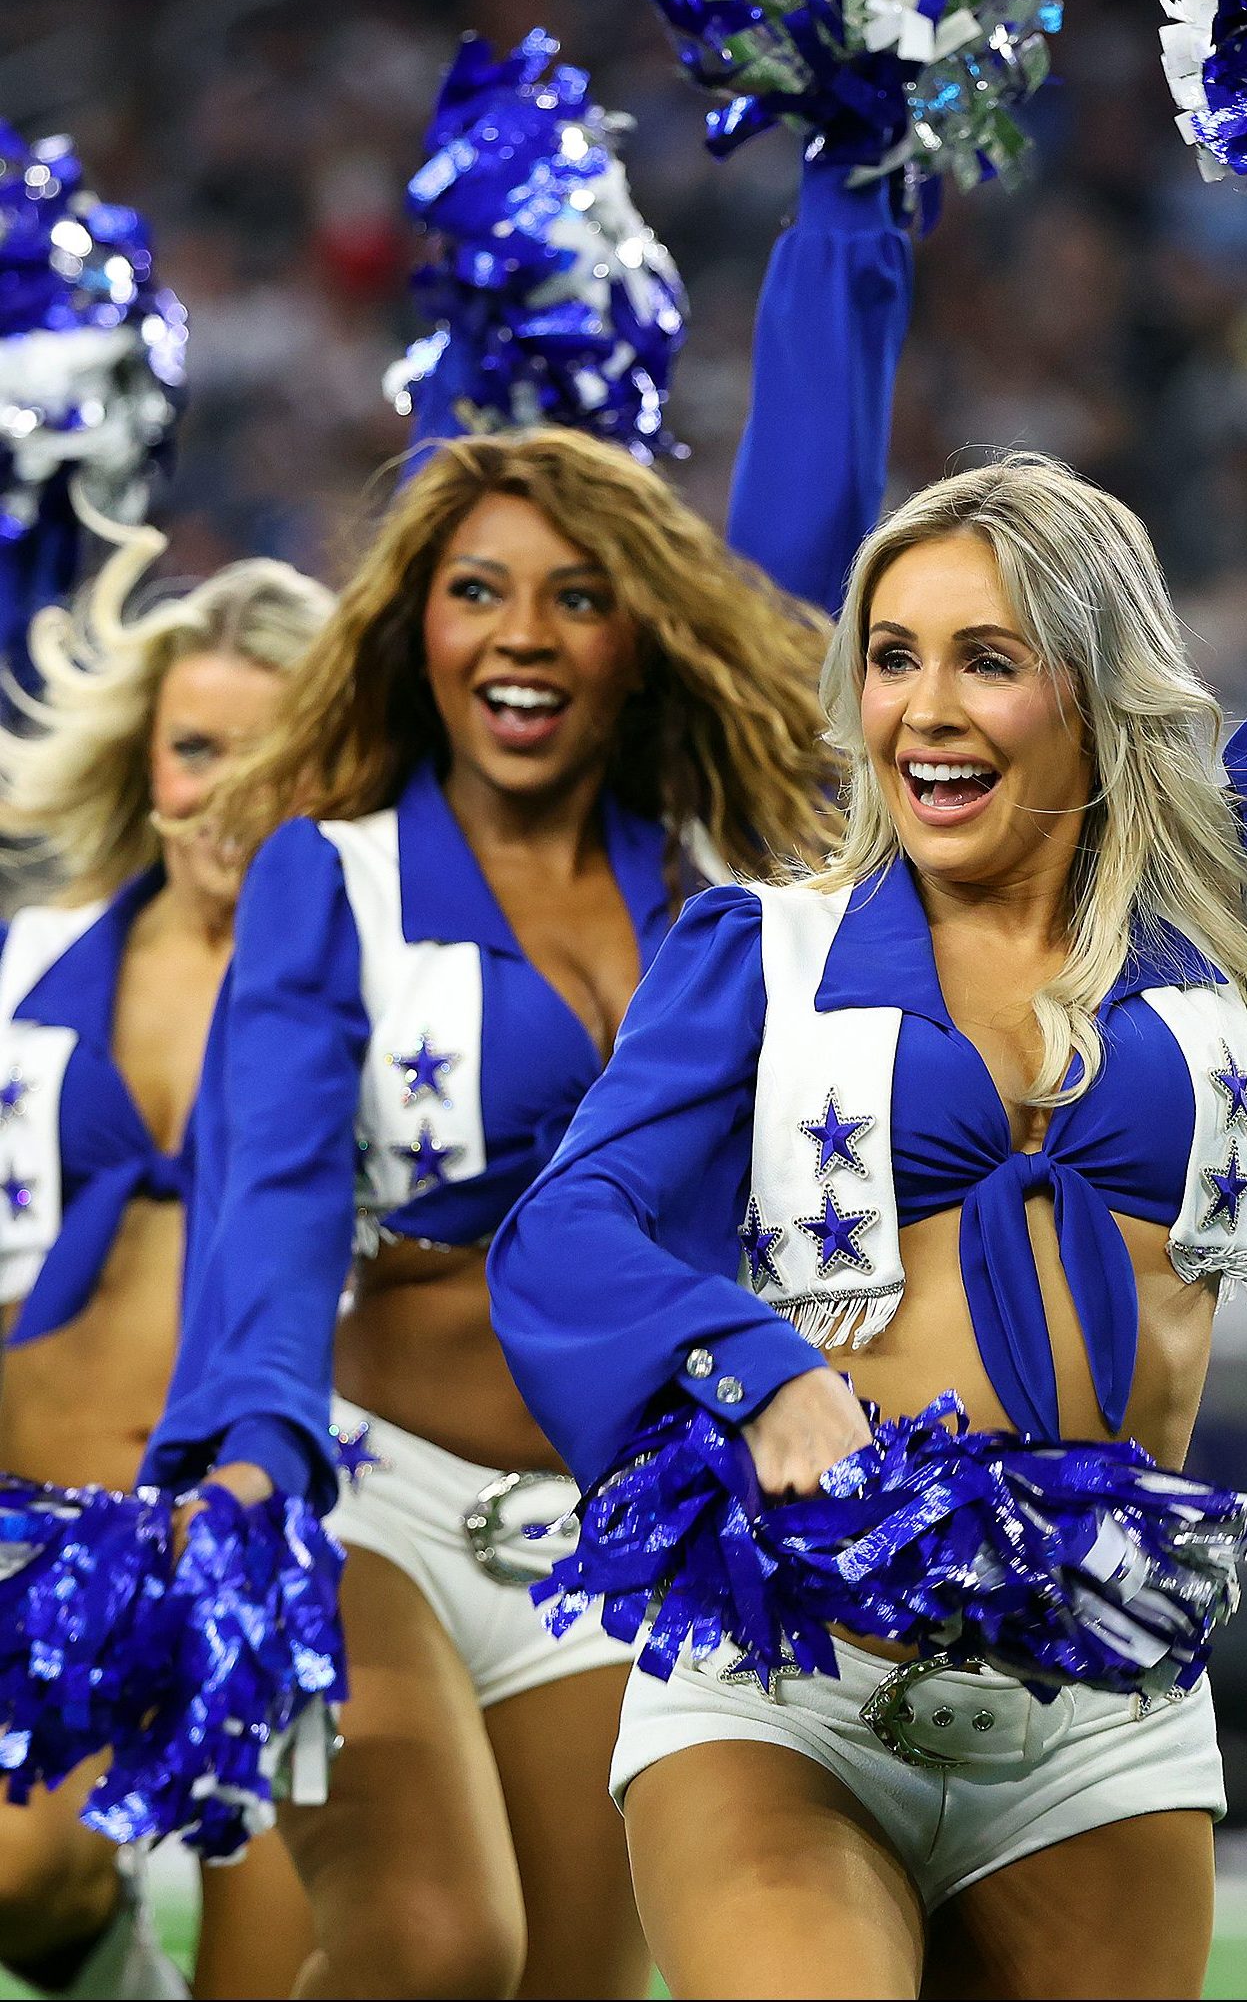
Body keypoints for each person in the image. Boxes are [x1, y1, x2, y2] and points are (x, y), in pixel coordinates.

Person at [489, 259, 1247, 2000]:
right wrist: (753, 1362)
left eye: (986, 662)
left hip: (1103, 1713)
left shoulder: (1232, 919)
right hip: (791, 1686)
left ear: (1088, 689)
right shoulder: (766, 949)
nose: (923, 710)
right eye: (891, 658)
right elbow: (567, 1230)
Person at [141, 155, 911, 2001]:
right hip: (367, 1490)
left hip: (621, 1515)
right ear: (417, 622)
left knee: (573, 1983)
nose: (520, 635)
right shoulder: (332, 874)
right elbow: (270, 1192)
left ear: (635, 630)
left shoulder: (723, 877)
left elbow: (812, 551)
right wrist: (250, 1436)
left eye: (574, 597)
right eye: (476, 591)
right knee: (430, 1947)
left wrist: (852, 194)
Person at [0, 520, 331, 2000]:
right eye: (197, 752)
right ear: (144, 758)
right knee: (20, 1876)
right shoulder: (28, 969)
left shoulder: (394, 989)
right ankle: (113, 1966)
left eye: (276, 765)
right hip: (38, 1544)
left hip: (277, 1552)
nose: (227, 803)